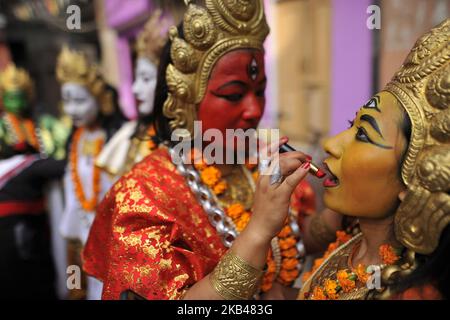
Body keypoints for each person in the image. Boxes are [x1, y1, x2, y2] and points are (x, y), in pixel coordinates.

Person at [176, 19, 450, 300]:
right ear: (185, 99)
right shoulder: (357, 245)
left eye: (364, 135)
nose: (330, 143)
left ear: (417, 179)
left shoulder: (411, 293)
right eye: (234, 95)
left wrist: (262, 232)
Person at [83, 0, 316, 300]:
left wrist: (338, 214)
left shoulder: (261, 159)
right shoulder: (143, 197)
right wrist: (258, 232)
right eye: (233, 94)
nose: (254, 110)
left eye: (260, 92)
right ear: (185, 100)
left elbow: (298, 239)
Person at [56, 46, 125, 299]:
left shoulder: (119, 138)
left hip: (115, 237)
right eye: (67, 100)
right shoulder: (74, 141)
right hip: (85, 235)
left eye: (80, 100)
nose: (72, 109)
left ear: (100, 98)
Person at [0, 63, 68, 299]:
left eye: (20, 96)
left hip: (45, 198)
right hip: (15, 197)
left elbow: (58, 150)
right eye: (11, 97)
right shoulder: (2, 125)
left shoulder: (42, 123)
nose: (16, 102)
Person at [96, 11, 168, 177]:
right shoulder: (129, 134)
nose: (135, 88)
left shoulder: (185, 138)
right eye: (137, 78)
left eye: (146, 78)